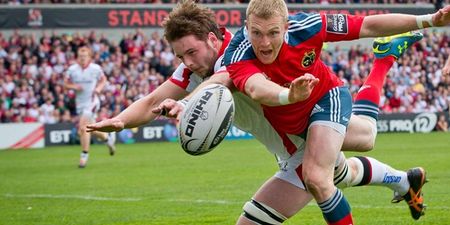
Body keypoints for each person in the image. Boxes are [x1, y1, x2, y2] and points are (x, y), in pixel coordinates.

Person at [87, 0, 426, 223]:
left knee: (338, 161)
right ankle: (403, 180)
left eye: (191, 52)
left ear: (213, 38)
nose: (187, 62)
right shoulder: (193, 71)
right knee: (346, 164)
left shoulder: (240, 52)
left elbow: (227, 78)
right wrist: (121, 120)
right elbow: (150, 102)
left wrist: (187, 102)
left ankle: (382, 61)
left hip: (306, 126)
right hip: (295, 138)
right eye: (180, 57)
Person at [220, 0, 449, 224]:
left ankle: (384, 61)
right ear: (246, 26)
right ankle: (405, 180)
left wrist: (428, 20)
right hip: (297, 126)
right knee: (357, 150)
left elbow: (366, 25)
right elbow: (256, 88)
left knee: (317, 178)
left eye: (273, 33)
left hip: (326, 100)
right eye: (256, 33)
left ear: (287, 26)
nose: (265, 43)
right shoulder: (239, 51)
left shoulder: (309, 26)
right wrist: (288, 95)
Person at [64, 46, 116, 168]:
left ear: (89, 57)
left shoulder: (95, 69)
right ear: (77, 57)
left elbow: (103, 80)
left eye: (85, 56)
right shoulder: (72, 69)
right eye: (80, 56)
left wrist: (98, 88)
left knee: (83, 127)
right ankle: (107, 138)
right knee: (90, 128)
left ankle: (84, 156)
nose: (82, 58)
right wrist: (74, 87)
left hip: (92, 102)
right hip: (80, 104)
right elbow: (65, 84)